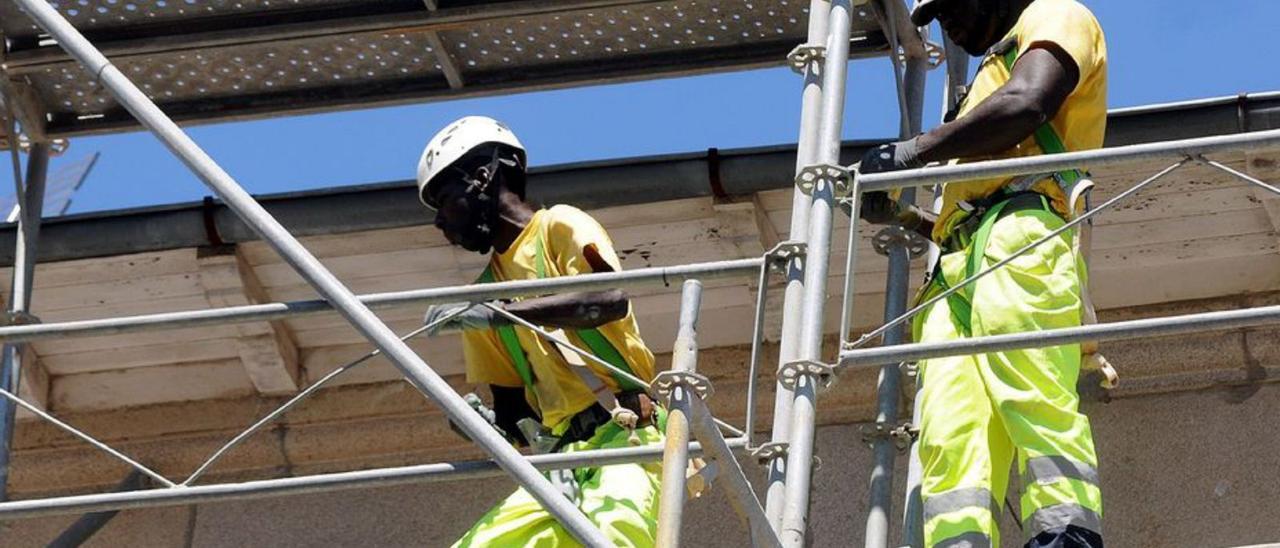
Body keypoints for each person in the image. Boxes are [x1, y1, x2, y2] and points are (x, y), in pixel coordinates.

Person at [853, 0, 1107, 546]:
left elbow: (1028, 102)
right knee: (950, 434)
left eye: (950, 6)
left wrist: (912, 153)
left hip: (1021, 237)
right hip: (957, 265)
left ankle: (1065, 538)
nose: (949, 26)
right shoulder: (989, 73)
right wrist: (906, 214)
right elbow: (965, 205)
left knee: (1033, 398)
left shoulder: (1056, 15)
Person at [416, 116, 664, 547]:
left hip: (626, 433)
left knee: (615, 538)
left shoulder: (559, 227)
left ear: (482, 178)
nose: (440, 222)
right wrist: (486, 425)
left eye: (444, 200)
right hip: (560, 460)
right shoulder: (485, 294)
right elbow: (516, 413)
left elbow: (607, 300)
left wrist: (501, 314)